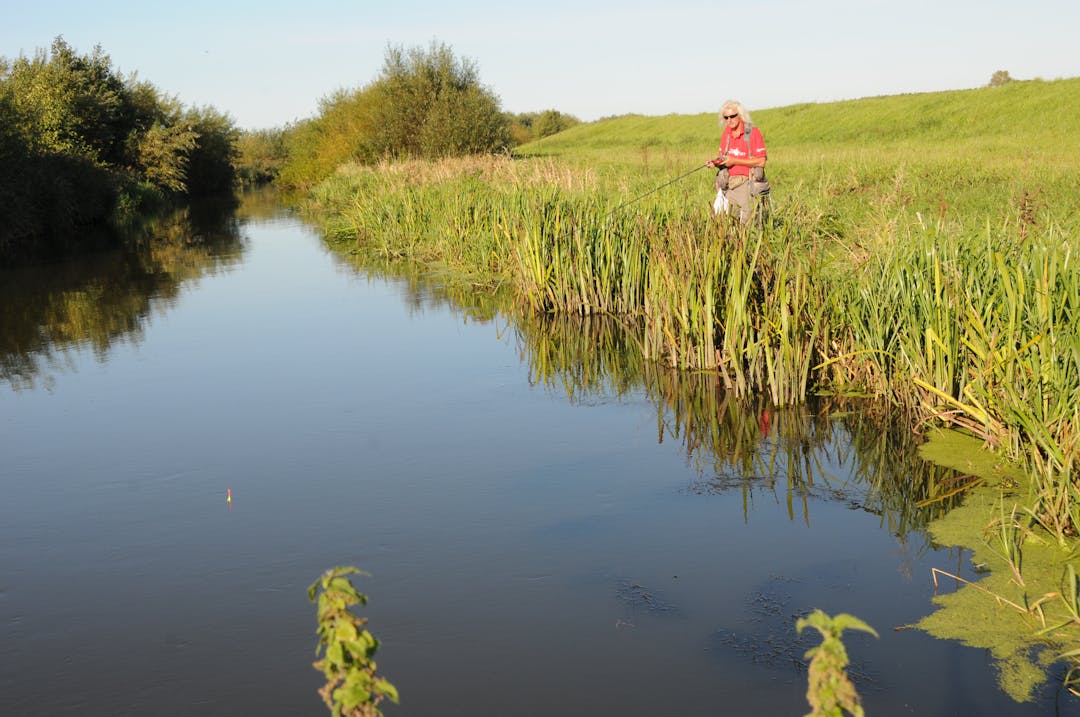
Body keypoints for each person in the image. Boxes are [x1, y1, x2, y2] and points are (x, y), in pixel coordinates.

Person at [707, 100, 768, 223]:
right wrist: (715, 163)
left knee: (749, 224)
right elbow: (723, 157)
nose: (729, 120)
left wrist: (735, 161)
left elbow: (761, 161)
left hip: (748, 184)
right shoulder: (726, 133)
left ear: (740, 115)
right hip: (729, 186)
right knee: (730, 224)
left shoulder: (753, 132)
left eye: (732, 116)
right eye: (726, 117)